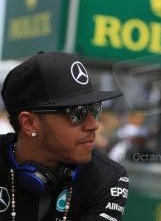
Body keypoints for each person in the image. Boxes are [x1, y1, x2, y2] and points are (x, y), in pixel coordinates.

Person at [0, 52, 128, 220]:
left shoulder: (107, 178)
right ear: (29, 123)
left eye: (94, 109)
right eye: (77, 113)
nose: (94, 124)